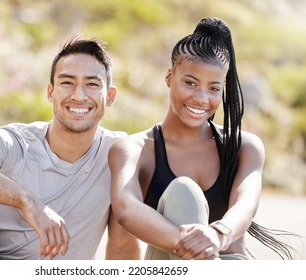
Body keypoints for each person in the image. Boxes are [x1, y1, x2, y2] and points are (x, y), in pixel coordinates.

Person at [0, 37, 140, 260]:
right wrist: (27, 201)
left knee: (128, 199)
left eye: (92, 84)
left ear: (110, 96)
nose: (79, 95)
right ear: (50, 92)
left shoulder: (119, 154)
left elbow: (125, 243)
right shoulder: (17, 142)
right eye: (67, 82)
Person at [109, 17, 298, 260]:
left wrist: (217, 236)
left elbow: (246, 204)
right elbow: (126, 208)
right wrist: (197, 248)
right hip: (170, 265)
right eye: (190, 83)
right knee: (184, 190)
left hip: (230, 265)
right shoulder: (134, 149)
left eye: (213, 88)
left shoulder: (244, 147)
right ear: (169, 77)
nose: (201, 98)